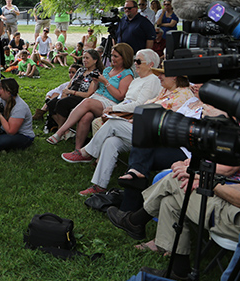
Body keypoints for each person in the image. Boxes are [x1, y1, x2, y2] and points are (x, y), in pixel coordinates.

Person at [107, 164, 240, 281]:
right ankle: (179, 271)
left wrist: (208, 183)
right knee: (170, 201)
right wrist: (208, 183)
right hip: (236, 212)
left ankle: (135, 221)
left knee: (174, 180)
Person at [60, 49, 163, 196]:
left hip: (142, 128)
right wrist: (114, 110)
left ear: (151, 64)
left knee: (112, 124)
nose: (135, 64)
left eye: (139, 61)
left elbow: (139, 105)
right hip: (129, 120)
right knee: (111, 142)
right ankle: (99, 185)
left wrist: (114, 109)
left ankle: (87, 152)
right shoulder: (137, 80)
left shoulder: (152, 80)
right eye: (135, 61)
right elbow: (127, 100)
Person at [47, 42, 134, 145]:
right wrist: (97, 82)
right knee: (86, 116)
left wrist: (105, 82)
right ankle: (78, 149)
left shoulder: (127, 74)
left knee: (87, 102)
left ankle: (61, 131)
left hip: (110, 103)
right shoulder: (107, 70)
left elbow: (120, 96)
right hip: (96, 98)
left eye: (116, 56)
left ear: (124, 57)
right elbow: (96, 89)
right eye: (111, 55)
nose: (112, 58)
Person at [45, 50, 103, 130]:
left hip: (81, 97)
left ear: (95, 60)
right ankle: (65, 129)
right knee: (51, 103)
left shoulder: (96, 74)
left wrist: (71, 92)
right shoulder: (81, 70)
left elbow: (89, 94)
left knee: (62, 103)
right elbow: (70, 83)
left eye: (87, 58)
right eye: (83, 58)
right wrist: (65, 91)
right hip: (70, 93)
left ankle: (61, 129)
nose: (84, 60)